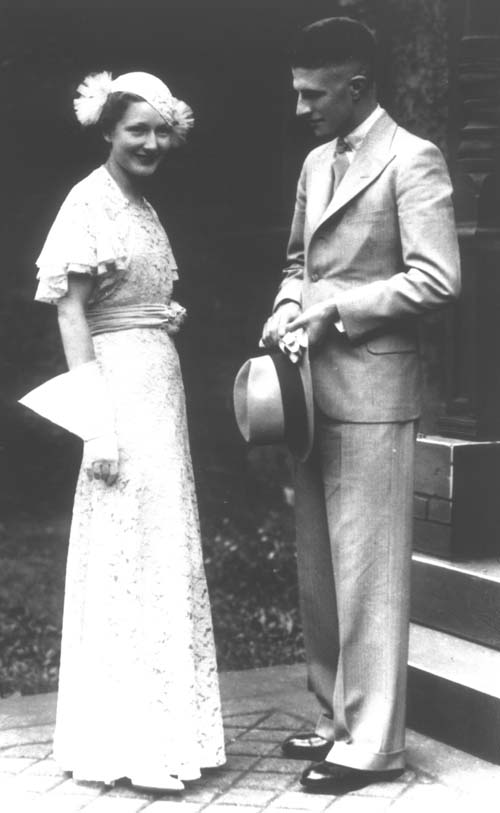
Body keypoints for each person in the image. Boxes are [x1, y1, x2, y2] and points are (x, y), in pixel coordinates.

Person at [260, 17, 460, 794]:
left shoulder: (415, 159)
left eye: (313, 94)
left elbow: (438, 278)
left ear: (358, 87)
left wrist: (336, 311)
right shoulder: (315, 162)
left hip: (374, 393)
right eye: (297, 92)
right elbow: (297, 261)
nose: (301, 108)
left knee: (370, 574)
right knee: (320, 569)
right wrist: (287, 304)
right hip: (310, 391)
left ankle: (374, 744)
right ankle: (334, 716)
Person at [26, 71, 225, 791]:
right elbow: (71, 310)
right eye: (137, 128)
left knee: (158, 547)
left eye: (160, 130)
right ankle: (124, 745)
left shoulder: (141, 204)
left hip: (158, 392)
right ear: (109, 128)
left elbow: (128, 295)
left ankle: (168, 736)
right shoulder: (88, 201)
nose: (150, 142)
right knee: (124, 551)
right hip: (118, 398)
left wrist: (160, 315)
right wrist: (97, 427)